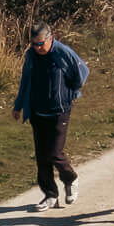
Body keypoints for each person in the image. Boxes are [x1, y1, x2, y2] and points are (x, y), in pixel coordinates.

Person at [13, 24, 89, 211]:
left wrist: (70, 92)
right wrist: (18, 105)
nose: (37, 48)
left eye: (40, 44)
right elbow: (25, 79)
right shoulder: (31, 55)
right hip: (38, 111)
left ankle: (71, 179)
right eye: (33, 44)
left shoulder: (63, 53)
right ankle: (50, 195)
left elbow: (82, 73)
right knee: (42, 157)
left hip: (59, 111)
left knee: (55, 153)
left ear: (50, 38)